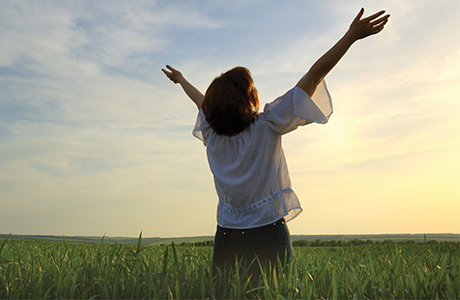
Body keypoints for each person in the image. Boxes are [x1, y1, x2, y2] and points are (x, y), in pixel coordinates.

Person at [162, 8, 389, 281]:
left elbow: (201, 102)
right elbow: (312, 77)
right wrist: (349, 37)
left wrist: (181, 80)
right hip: (267, 231)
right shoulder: (267, 124)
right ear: (248, 99)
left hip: (227, 232)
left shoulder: (212, 132)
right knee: (277, 292)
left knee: (224, 294)